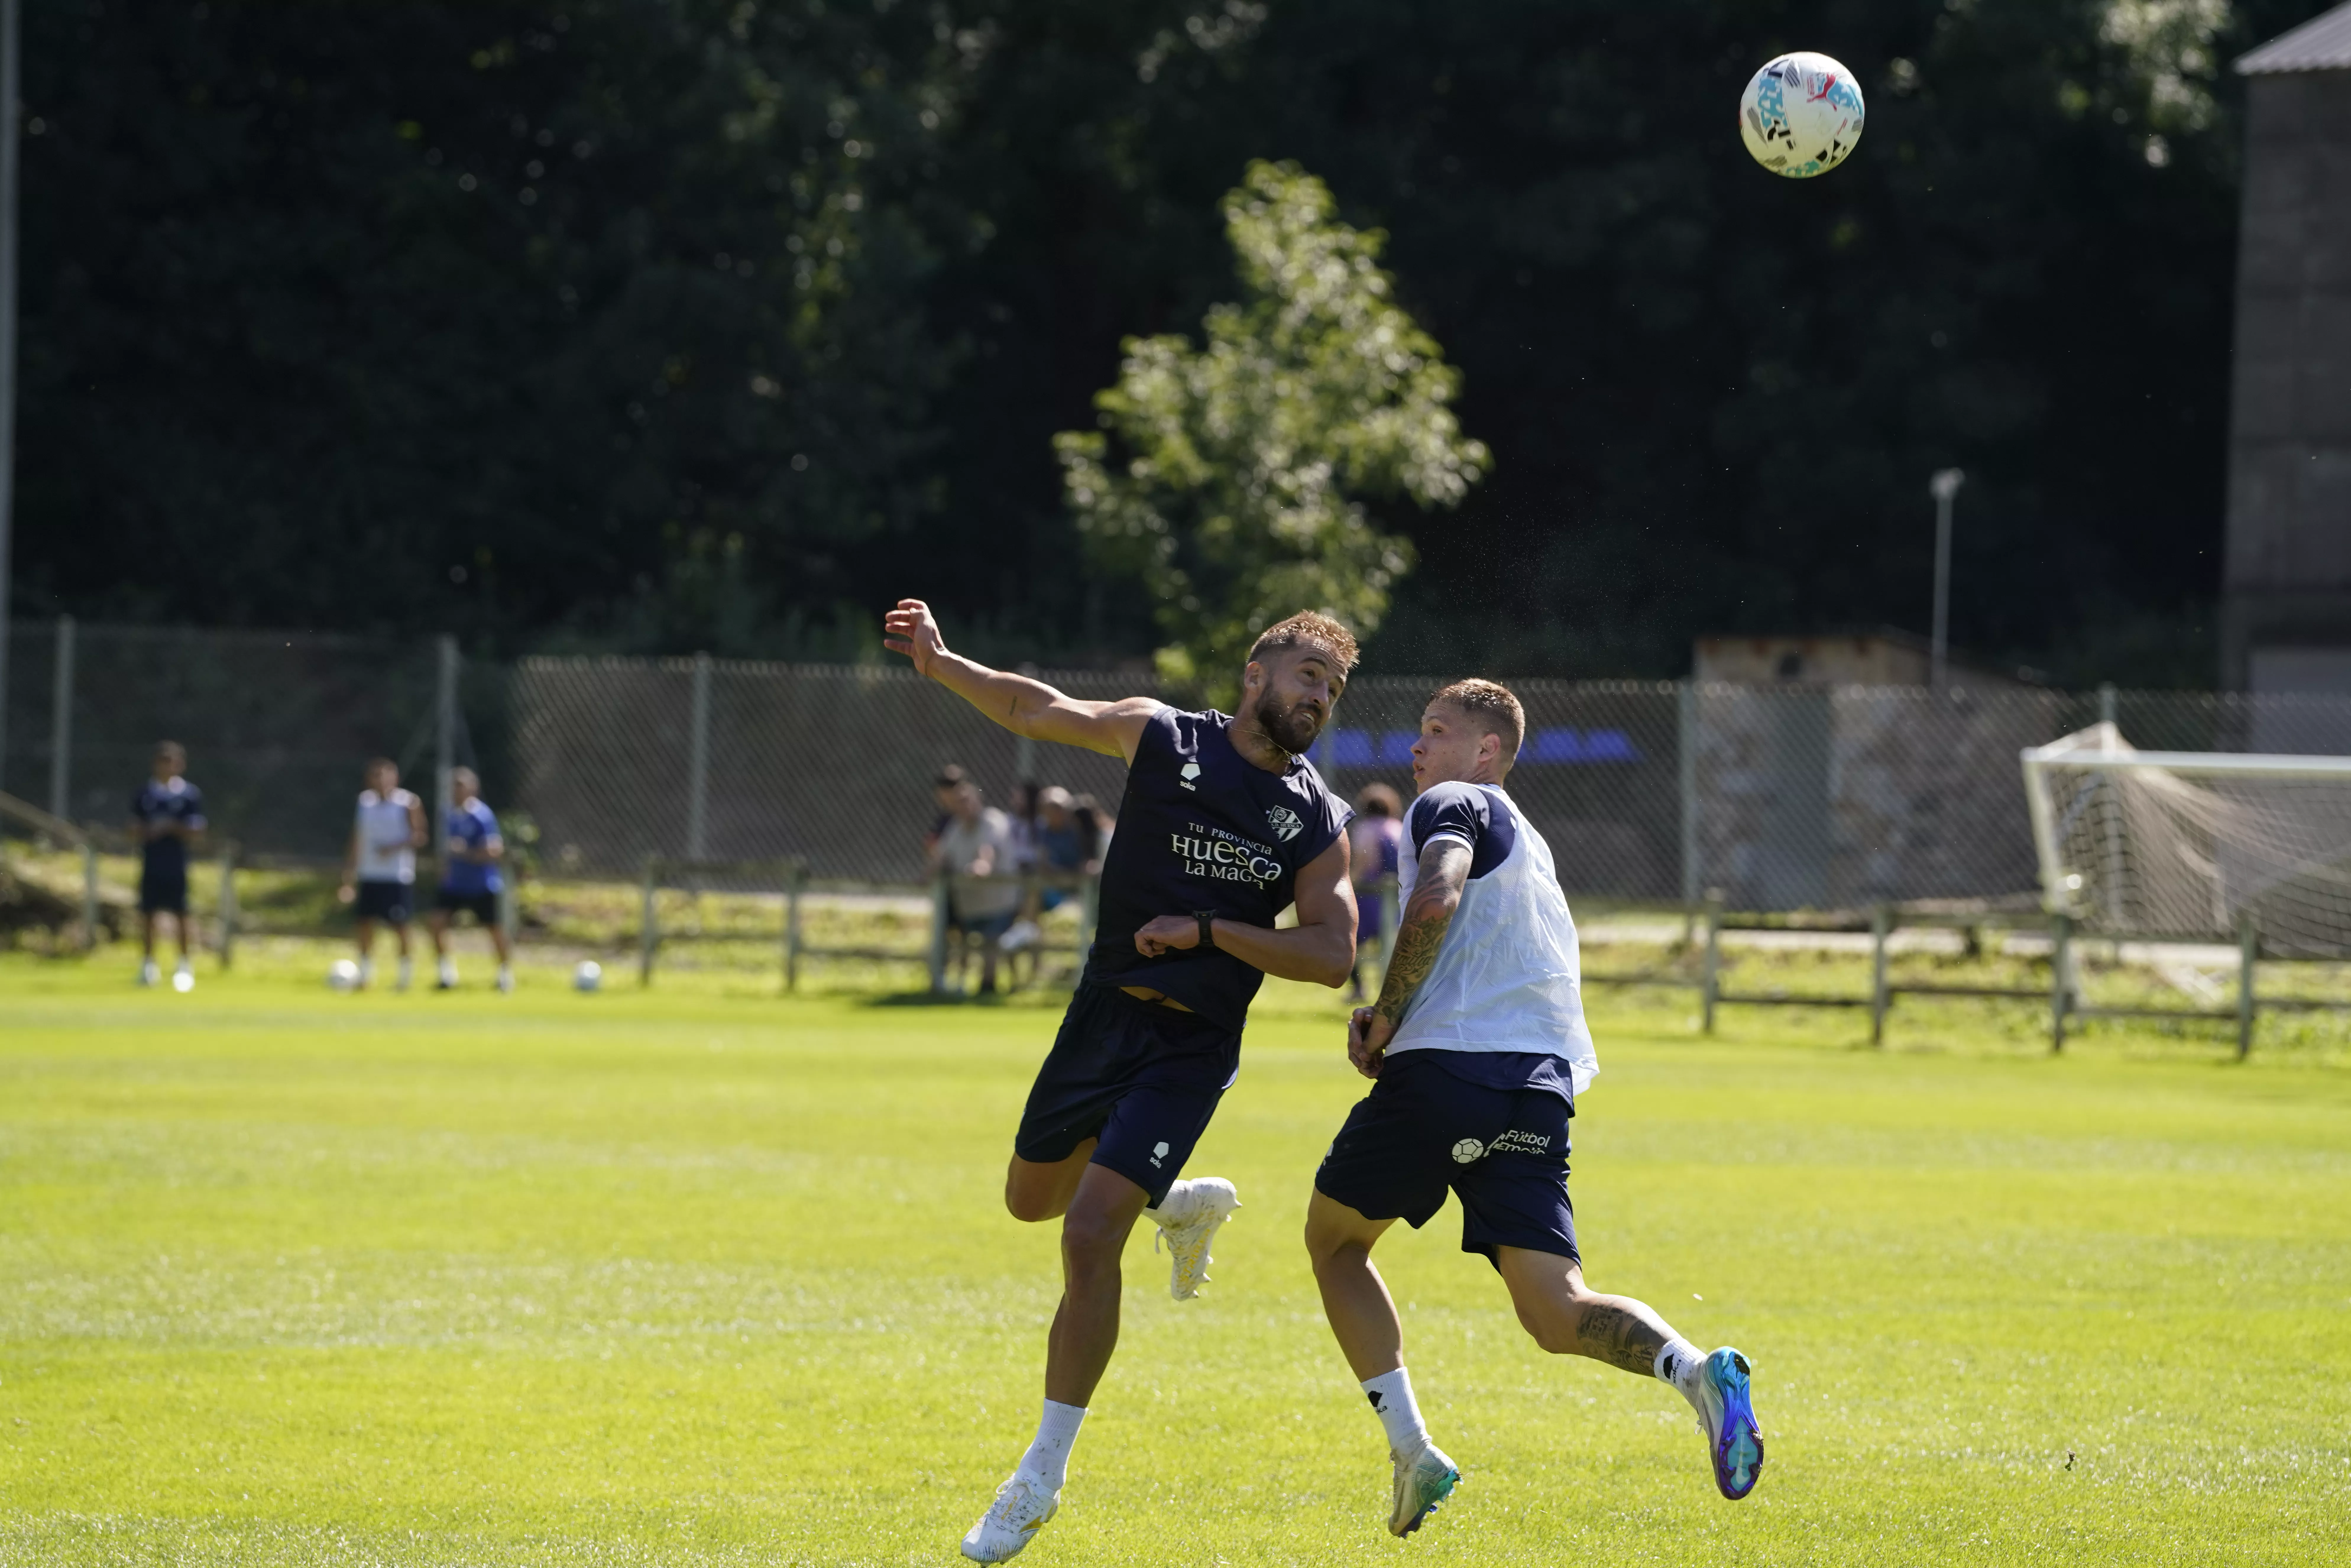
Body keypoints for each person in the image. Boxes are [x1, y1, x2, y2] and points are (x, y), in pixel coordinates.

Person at [883, 597, 1358, 1563]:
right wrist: (942, 663)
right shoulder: (1163, 737)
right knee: (1030, 1201)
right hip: (1101, 1015)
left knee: (1087, 1229)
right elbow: (1035, 708)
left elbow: (1333, 951)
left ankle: (1037, 1479)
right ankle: (1175, 1200)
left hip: (1189, 1048)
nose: (1320, 696)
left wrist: (1212, 931)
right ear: (1256, 673)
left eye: (1333, 687)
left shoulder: (1315, 815)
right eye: (1307, 673)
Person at [1304, 679, 1763, 1538]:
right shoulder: (1536, 846)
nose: (1418, 748)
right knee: (1558, 1312)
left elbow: (1436, 896)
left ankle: (1413, 1450)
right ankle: (1696, 1371)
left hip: (1446, 1069)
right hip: (1539, 1086)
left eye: (1437, 732)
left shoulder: (1453, 800)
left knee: (1333, 1244)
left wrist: (1387, 1013)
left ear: (1486, 753)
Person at [338, 758, 428, 991]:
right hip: (369, 875)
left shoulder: (408, 803)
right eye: (375, 776)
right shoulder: (365, 803)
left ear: (395, 778)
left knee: (401, 927)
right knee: (365, 924)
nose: (380, 781)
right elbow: (357, 840)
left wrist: (394, 847)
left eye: (385, 775)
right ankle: (366, 976)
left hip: (397, 876)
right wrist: (348, 878)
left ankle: (405, 977)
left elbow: (420, 837)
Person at [128, 740, 205, 991]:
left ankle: (184, 966)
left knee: (182, 914)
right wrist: (149, 831)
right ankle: (149, 965)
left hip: (177, 864)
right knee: (148, 914)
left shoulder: (188, 795)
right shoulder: (145, 794)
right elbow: (132, 828)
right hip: (151, 863)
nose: (168, 767)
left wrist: (172, 827)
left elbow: (197, 829)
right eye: (164, 762)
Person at [428, 767, 513, 993]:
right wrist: (445, 869)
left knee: (495, 930)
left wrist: (465, 852)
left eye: (461, 786)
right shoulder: (447, 814)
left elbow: (494, 851)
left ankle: (505, 974)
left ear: (472, 789)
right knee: (436, 923)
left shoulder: (481, 816)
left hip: (481, 883)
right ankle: (447, 973)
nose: (457, 791)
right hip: (455, 883)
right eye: (454, 786)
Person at [934, 777, 1021, 994]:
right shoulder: (955, 827)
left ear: (977, 800)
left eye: (967, 801)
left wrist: (982, 866)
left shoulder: (994, 821)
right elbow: (942, 857)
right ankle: (959, 986)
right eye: (959, 802)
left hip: (999, 901)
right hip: (970, 902)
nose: (963, 806)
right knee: (964, 944)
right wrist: (928, 874)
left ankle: (989, 986)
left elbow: (988, 850)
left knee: (993, 944)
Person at [1346, 782, 1404, 1002]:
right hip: (1396, 894)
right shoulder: (1398, 828)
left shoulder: (1366, 828)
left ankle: (1359, 989)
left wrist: (1350, 885)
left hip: (1370, 894)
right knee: (1391, 946)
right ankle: (1392, 993)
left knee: (1349, 942)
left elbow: (1364, 863)